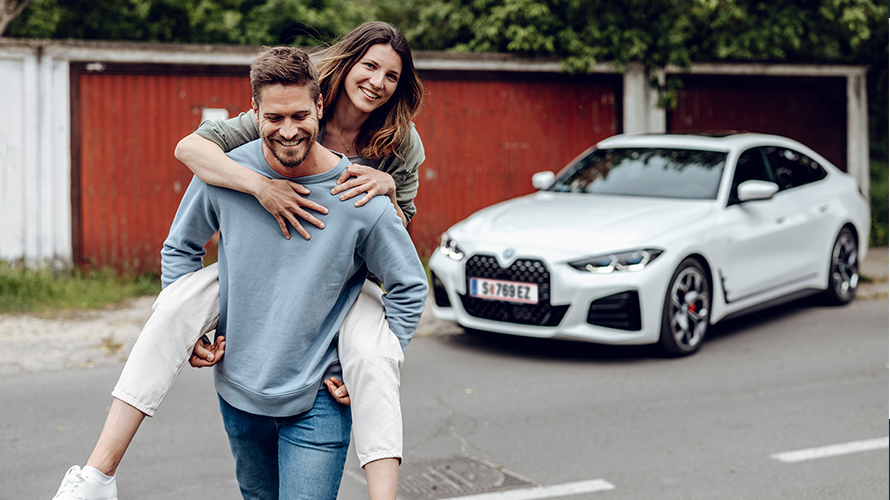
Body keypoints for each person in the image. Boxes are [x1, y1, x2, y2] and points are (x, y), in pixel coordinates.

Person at [53, 22, 425, 500]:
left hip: (348, 287)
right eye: (370, 66)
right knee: (176, 309)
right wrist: (261, 187)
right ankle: (97, 475)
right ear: (257, 113)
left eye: (391, 75)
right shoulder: (254, 141)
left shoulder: (397, 146)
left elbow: (402, 257)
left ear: (317, 108)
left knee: (374, 361)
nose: (377, 81)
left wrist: (385, 190)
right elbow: (189, 154)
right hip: (243, 375)